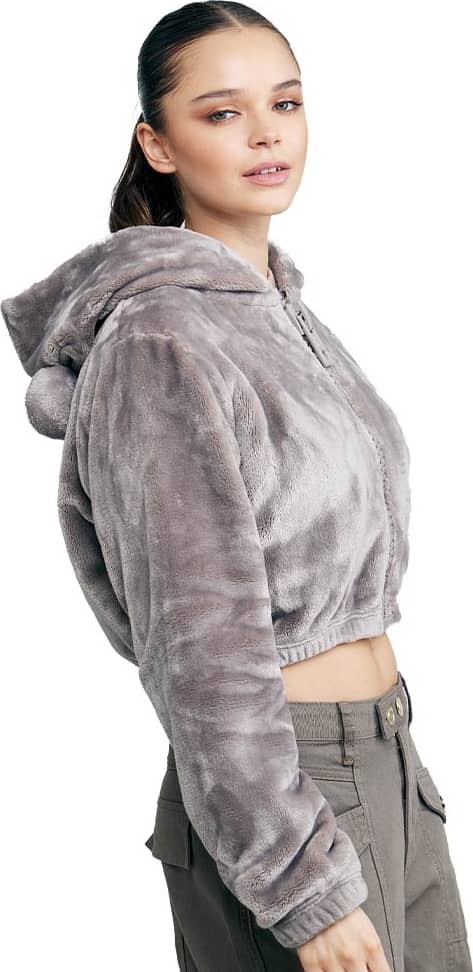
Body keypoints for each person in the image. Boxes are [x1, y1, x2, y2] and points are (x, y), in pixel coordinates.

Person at [2, 3, 471, 971]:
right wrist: (297, 881)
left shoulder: (284, 315)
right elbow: (199, 642)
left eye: (284, 103)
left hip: (389, 762)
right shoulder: (161, 342)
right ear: (156, 144)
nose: (265, 133)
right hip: (286, 793)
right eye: (221, 113)